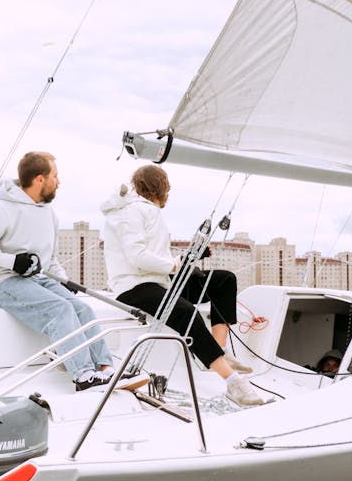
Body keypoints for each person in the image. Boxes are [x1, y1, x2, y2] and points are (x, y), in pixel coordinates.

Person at [100, 164, 267, 407]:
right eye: (167, 189)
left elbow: (155, 258)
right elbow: (137, 257)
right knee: (186, 312)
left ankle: (219, 350)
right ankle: (233, 382)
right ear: (160, 187)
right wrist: (175, 265)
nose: (168, 194)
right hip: (133, 287)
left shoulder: (146, 211)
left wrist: (187, 258)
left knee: (223, 281)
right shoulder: (131, 212)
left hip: (160, 280)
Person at [0, 151, 116, 391]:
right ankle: (83, 376)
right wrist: (12, 262)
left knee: (83, 308)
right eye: (55, 176)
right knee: (60, 309)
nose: (59, 181)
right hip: (3, 282)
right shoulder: (1, 208)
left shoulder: (48, 212)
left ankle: (106, 368)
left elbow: (51, 258)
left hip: (38, 279)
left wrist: (64, 281)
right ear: (39, 179)